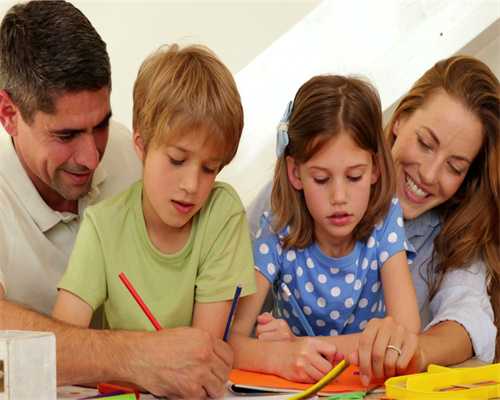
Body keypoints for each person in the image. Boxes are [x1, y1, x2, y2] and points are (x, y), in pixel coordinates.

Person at [0, 2, 232, 397]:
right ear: (8, 114)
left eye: (101, 124)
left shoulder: (135, 153)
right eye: (66, 135)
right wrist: (137, 355)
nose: (92, 158)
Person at [247, 55, 499, 386]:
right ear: (400, 121)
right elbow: (232, 315)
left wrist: (410, 350)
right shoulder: (287, 204)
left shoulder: (454, 230)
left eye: (455, 167)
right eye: (425, 144)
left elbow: (468, 320)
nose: (428, 174)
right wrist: (277, 349)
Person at [52, 44, 256, 338]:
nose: (191, 185)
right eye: (177, 160)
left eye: (209, 168)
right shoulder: (104, 226)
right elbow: (63, 342)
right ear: (142, 145)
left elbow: (206, 349)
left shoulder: (221, 213)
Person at [230, 75, 420, 383]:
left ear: (375, 168)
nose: (339, 197)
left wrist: (298, 345)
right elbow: (229, 340)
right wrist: (278, 356)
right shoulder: (277, 230)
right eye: (321, 179)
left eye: (354, 176)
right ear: (295, 173)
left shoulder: (385, 222)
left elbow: (407, 334)